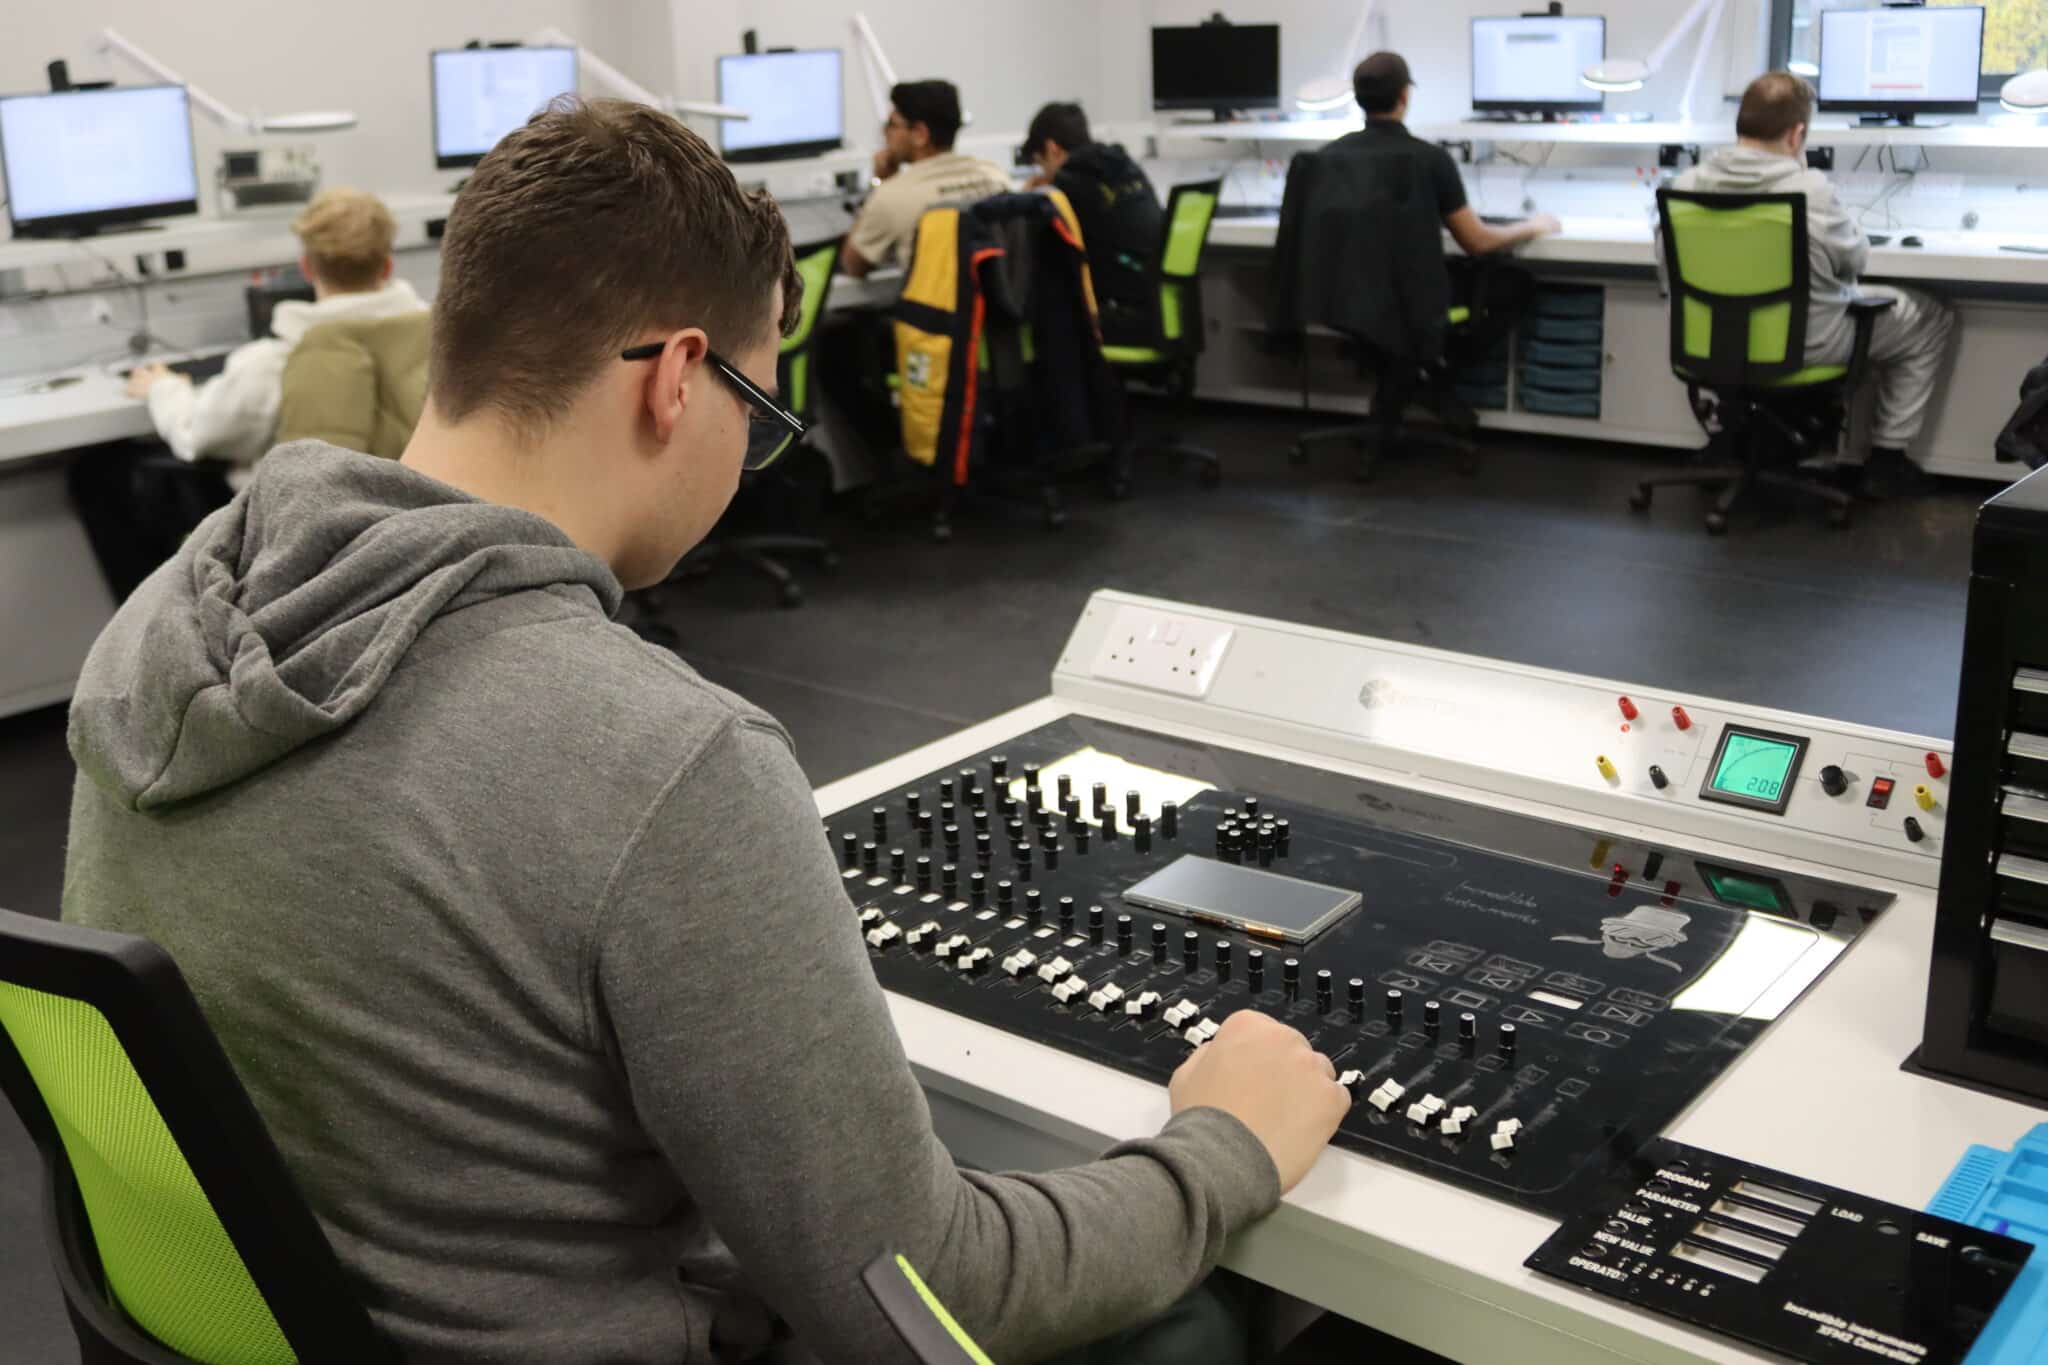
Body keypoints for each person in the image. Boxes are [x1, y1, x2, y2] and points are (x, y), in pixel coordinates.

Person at [63, 98, 1349, 1365]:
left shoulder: (155, 636)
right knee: (1200, 1319)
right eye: (761, 411)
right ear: (681, 378)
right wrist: (1220, 1147)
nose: (752, 457)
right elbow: (934, 1305)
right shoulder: (658, 760)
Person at [1673, 71, 1954, 497]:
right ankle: (1887, 459)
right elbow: (1856, 261)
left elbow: (1669, 277)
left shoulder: (1686, 185)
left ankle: (1728, 440)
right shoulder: (1809, 191)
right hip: (1805, 345)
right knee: (1929, 315)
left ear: (1740, 126)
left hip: (1711, 343)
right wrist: (1799, 171)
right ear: (1798, 133)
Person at [123, 188, 427, 484]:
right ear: (388, 266)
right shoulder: (440, 343)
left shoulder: (274, 361)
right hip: (421, 519)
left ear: (307, 267)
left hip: (307, 525)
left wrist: (163, 388)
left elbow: (196, 435)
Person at [1350, 53, 1560, 256]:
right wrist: (1533, 226)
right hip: (1412, 291)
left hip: (1346, 290)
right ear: (1405, 95)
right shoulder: (1431, 160)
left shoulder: (1325, 159)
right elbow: (1478, 241)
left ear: (1358, 97)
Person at [1022, 101, 1164, 346]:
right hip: (1157, 307)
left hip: (1119, 316)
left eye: (1040, 162)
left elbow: (1035, 241)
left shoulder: (1069, 183)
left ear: (1052, 148)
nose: (1042, 171)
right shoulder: (1124, 165)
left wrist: (1031, 196)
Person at [841, 80, 1011, 276]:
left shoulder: (892, 196)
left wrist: (879, 185)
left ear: (920, 134)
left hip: (932, 305)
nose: (884, 133)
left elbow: (852, 264)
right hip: (996, 304)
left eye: (892, 125)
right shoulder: (996, 176)